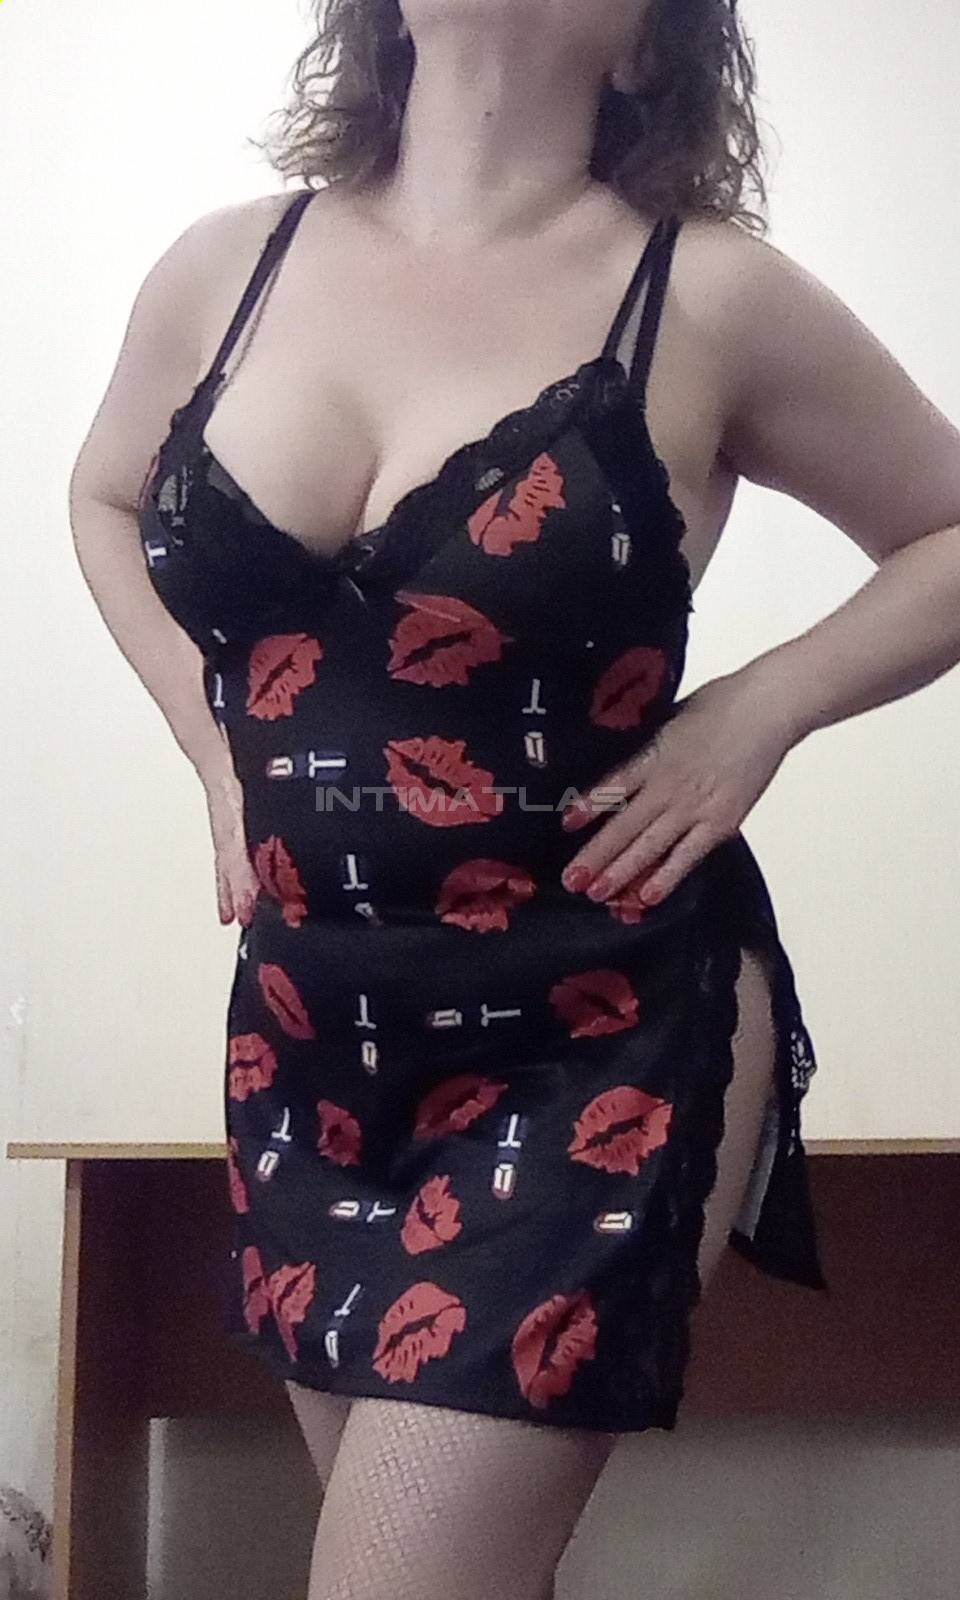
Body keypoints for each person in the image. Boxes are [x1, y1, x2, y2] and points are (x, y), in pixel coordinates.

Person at [68, 2, 960, 1597]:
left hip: (593, 1021)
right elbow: (105, 493)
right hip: (311, 1040)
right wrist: (208, 740)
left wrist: (761, 709)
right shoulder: (226, 268)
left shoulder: (710, 294)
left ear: (649, 39)